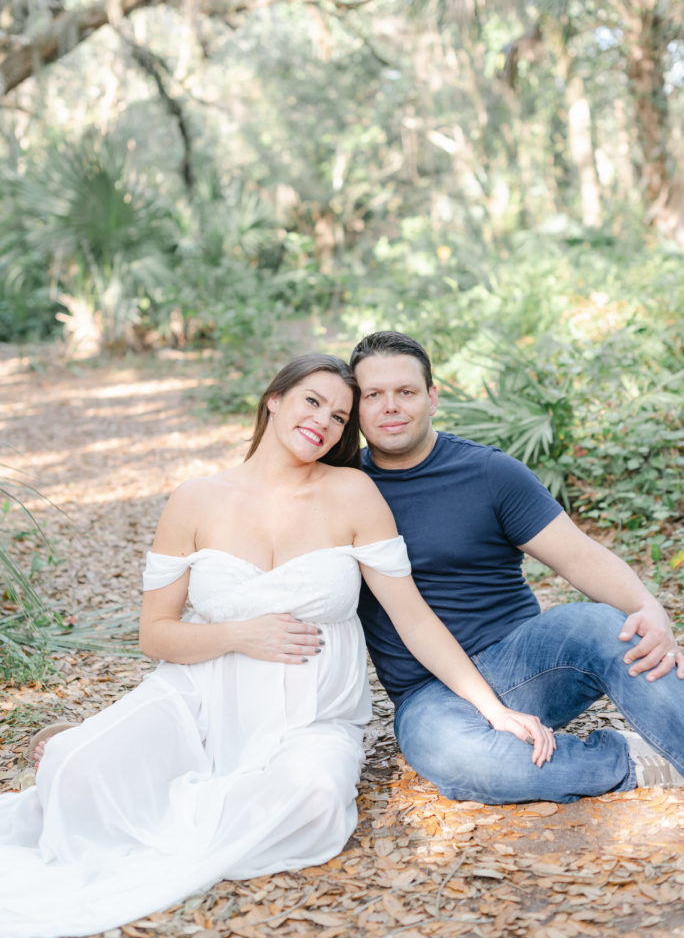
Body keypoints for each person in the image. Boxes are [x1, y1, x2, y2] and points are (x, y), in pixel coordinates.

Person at [0, 353, 552, 938]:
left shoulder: (354, 493)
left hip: (310, 716)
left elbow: (413, 618)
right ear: (274, 399)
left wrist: (492, 707)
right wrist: (240, 634)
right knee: (77, 776)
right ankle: (100, 750)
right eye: (311, 401)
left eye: (340, 416)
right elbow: (153, 634)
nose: (323, 421)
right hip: (200, 698)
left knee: (312, 803)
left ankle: (149, 788)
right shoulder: (195, 498)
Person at [350, 331, 684, 806]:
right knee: (469, 761)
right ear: (357, 407)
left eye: (405, 391)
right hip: (431, 696)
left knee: (607, 626)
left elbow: (579, 556)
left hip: (523, 664)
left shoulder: (489, 474)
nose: (391, 407)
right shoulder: (343, 489)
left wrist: (650, 607)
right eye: (373, 395)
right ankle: (632, 760)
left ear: (432, 397)